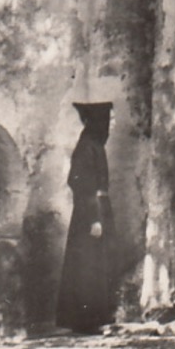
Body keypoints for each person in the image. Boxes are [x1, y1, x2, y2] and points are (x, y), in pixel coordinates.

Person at [56, 101, 116, 332]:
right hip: (90, 212)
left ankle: (97, 318)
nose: (111, 124)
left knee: (98, 264)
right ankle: (85, 320)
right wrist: (94, 218)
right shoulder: (86, 146)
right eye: (108, 119)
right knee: (88, 266)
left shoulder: (95, 145)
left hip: (100, 208)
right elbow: (80, 183)